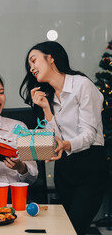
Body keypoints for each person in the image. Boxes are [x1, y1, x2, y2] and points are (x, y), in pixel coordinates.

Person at [19, 41, 108, 235]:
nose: (31, 67)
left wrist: (66, 144)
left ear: (51, 58)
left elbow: (89, 134)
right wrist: (45, 108)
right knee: (63, 229)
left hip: (90, 167)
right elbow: (57, 139)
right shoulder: (49, 97)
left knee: (73, 229)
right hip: (65, 170)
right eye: (29, 65)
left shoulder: (81, 85)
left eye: (34, 60)